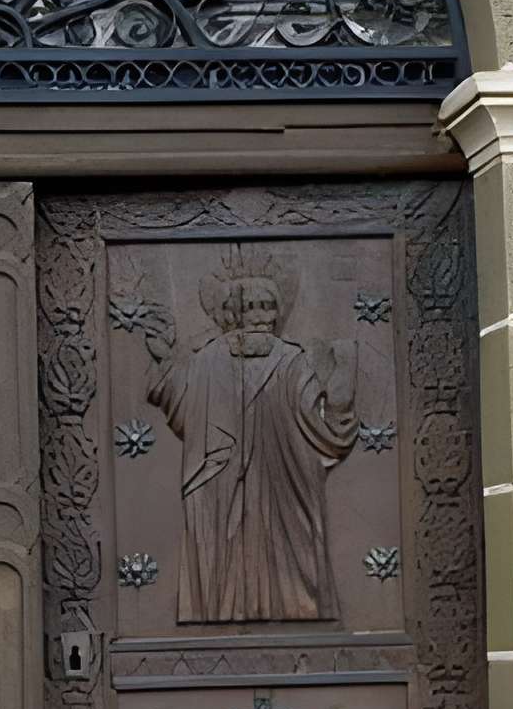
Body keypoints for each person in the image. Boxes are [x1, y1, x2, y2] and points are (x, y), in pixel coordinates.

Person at [127, 251, 359, 623]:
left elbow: (321, 429)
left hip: (283, 490)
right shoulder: (208, 360)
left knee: (292, 566)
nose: (260, 315)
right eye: (250, 305)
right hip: (221, 492)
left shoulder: (292, 361)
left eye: (268, 306)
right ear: (231, 313)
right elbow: (184, 408)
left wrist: (341, 397)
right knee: (224, 563)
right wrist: (165, 360)